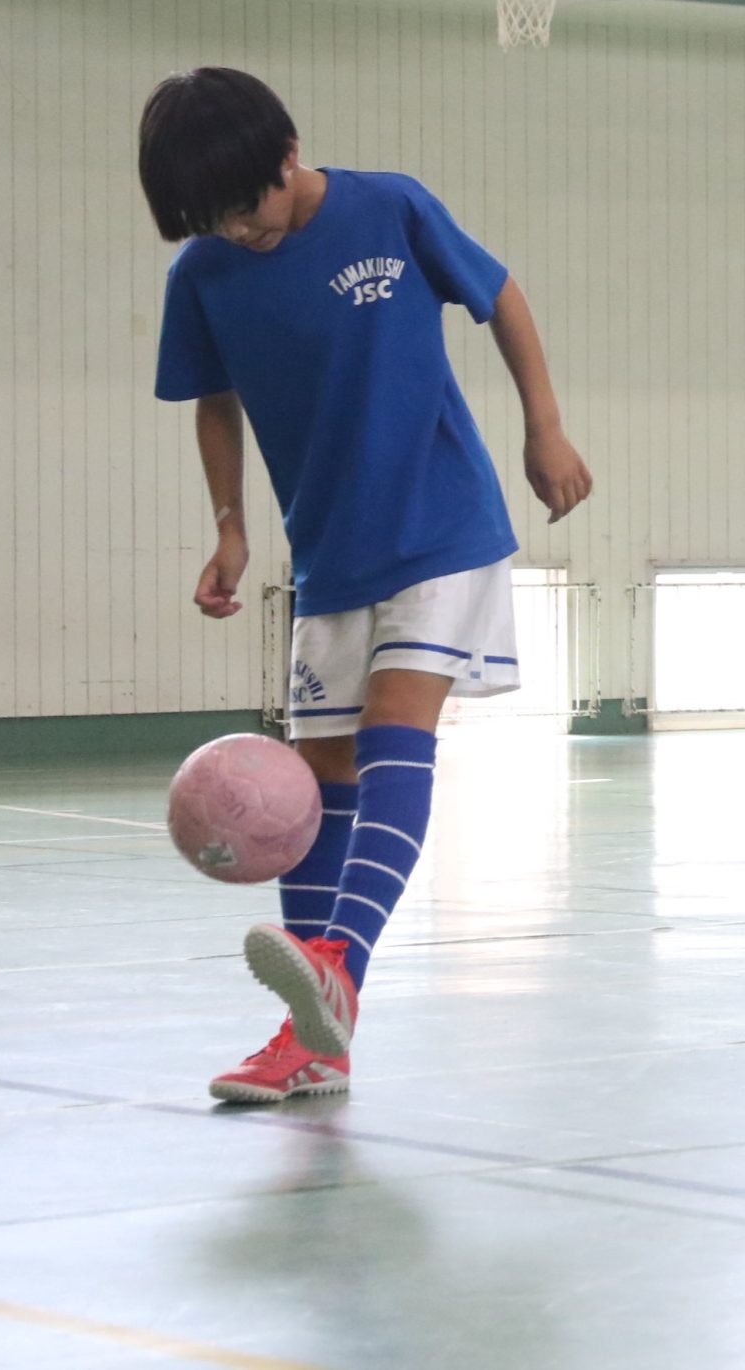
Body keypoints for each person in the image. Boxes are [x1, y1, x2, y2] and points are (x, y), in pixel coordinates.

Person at [144, 67, 591, 1103]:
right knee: (318, 784)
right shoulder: (204, 272)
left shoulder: (390, 206)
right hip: (328, 551)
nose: (237, 233)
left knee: (396, 731)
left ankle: (337, 968)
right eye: (212, 221)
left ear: (288, 154)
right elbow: (212, 400)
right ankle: (316, 1043)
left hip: (441, 522)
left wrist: (545, 427)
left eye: (244, 208)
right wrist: (230, 528)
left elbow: (501, 295)